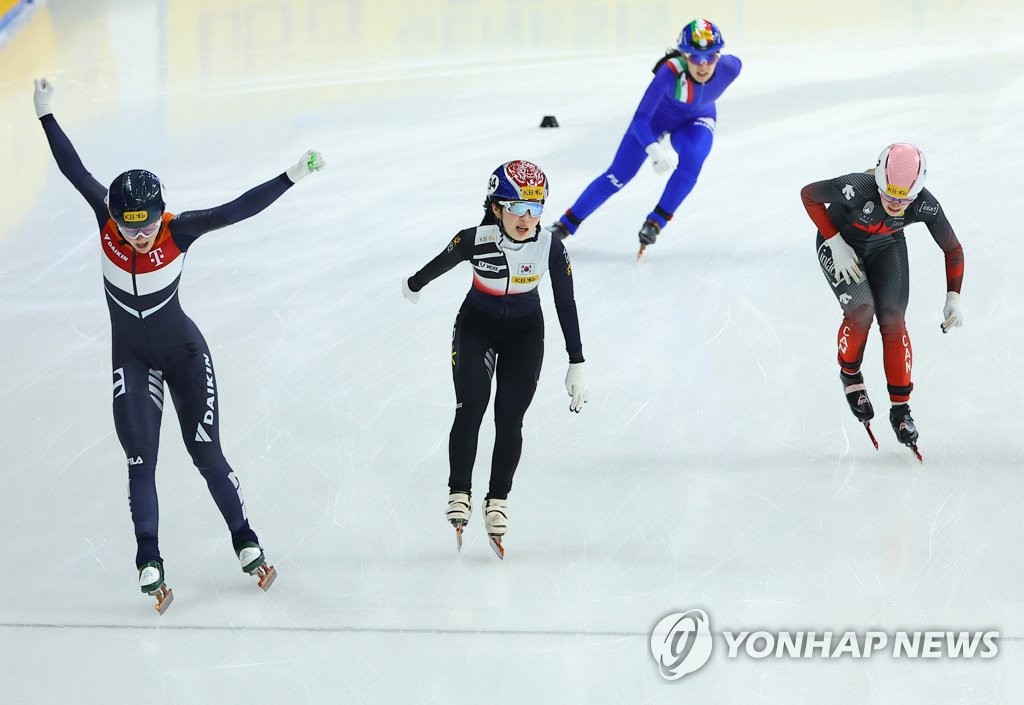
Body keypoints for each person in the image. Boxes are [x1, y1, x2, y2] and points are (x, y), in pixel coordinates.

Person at [33, 77, 325, 611]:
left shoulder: (178, 230)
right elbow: (75, 170)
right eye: (128, 225)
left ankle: (245, 540)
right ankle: (150, 558)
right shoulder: (106, 218)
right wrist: (45, 112)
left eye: (145, 225)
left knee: (205, 452)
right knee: (140, 458)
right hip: (133, 357)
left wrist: (291, 176)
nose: (138, 236)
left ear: (160, 214)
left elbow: (237, 209)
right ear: (115, 217)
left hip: (184, 354)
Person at [402, 160, 588, 557]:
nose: (527, 219)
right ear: (495, 207)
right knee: (470, 408)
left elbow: (565, 302)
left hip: (525, 333)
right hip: (477, 328)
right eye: (517, 207)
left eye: (535, 208)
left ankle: (497, 500)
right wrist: (414, 284)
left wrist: (577, 360)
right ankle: (459, 491)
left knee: (509, 418)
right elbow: (440, 262)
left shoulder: (550, 246)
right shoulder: (474, 239)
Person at [800, 143, 964, 456]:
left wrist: (953, 297)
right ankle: (849, 372)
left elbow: (952, 248)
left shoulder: (925, 205)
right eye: (887, 194)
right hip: (841, 243)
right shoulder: (856, 187)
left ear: (918, 192)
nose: (893, 203)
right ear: (877, 181)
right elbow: (809, 194)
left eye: (903, 199)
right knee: (861, 310)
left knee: (893, 317)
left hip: (885, 245)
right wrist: (833, 241)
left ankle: (901, 409)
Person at [547, 18, 741, 255]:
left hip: (695, 121)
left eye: (710, 57)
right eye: (694, 57)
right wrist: (654, 149)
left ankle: (655, 222)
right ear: (683, 55)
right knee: (618, 175)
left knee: (693, 160)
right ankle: (565, 225)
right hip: (655, 121)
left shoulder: (731, 68)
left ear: (719, 55)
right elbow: (640, 119)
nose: (703, 65)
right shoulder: (668, 73)